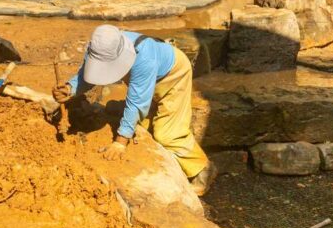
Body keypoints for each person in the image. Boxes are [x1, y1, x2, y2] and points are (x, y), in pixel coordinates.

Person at [52, 25, 216, 196]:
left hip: (173, 75)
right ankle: (150, 112)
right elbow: (88, 75)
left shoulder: (143, 58)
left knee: (167, 134)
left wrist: (120, 142)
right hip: (150, 76)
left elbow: (137, 102)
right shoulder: (99, 48)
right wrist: (70, 89)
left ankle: (203, 169)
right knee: (143, 124)